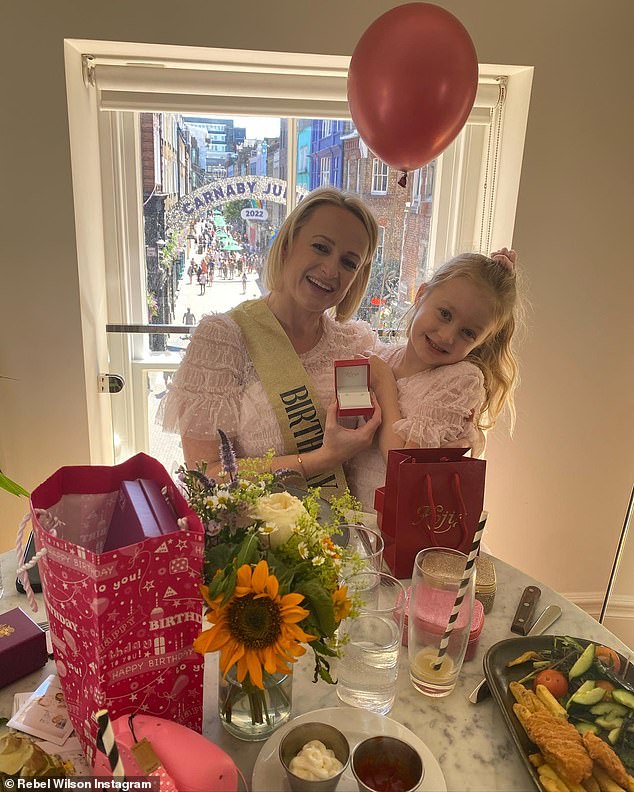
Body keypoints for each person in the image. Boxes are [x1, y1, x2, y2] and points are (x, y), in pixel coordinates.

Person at [160, 187, 382, 495]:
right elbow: (205, 474)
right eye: (320, 247)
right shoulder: (223, 339)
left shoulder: (353, 344)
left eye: (348, 263)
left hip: (339, 535)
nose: (331, 269)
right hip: (252, 537)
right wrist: (321, 459)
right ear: (289, 244)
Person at [347, 248, 521, 510]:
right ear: (420, 295)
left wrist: (385, 387)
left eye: (468, 333)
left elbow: (406, 467)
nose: (448, 336)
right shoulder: (384, 355)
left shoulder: (461, 381)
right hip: (353, 513)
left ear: (482, 342)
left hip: (402, 528)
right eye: (445, 314)